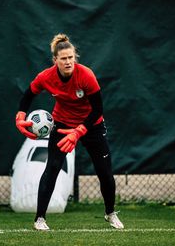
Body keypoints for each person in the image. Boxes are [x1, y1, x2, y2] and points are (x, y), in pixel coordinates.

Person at [15, 33, 124, 231]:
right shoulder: (46, 77)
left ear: (75, 57)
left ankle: (110, 213)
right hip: (62, 124)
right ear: (55, 60)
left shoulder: (86, 75)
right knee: (52, 169)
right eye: (63, 58)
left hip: (91, 125)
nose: (68, 62)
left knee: (105, 174)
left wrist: (79, 131)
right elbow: (29, 94)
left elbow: (98, 110)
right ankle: (40, 219)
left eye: (71, 57)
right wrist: (20, 115)